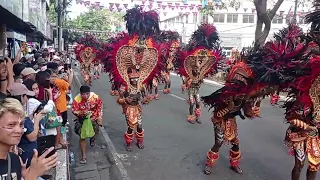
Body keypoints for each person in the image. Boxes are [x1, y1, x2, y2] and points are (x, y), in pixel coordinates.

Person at [104, 7, 163, 151]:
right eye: (133, 76)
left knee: (140, 125)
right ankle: (129, 142)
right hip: (129, 108)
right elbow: (119, 100)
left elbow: (145, 97)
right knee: (131, 125)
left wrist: (146, 99)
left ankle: (140, 141)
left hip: (138, 108)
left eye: (138, 76)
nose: (136, 78)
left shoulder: (141, 85)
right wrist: (126, 100)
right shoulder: (125, 87)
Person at [0, 98, 57, 180]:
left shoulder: (15, 160)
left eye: (21, 125)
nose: (19, 130)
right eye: (11, 125)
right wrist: (32, 176)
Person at [175, 23, 222, 124]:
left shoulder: (200, 74)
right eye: (195, 69)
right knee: (192, 103)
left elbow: (204, 74)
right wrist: (186, 83)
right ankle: (191, 116)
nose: (197, 70)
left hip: (196, 91)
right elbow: (186, 81)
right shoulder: (190, 75)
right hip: (191, 91)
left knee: (198, 103)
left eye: (198, 70)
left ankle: (197, 116)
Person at [72, 85, 103, 164]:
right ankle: (84, 156)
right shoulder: (77, 99)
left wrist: (97, 117)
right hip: (82, 120)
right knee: (82, 137)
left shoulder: (95, 97)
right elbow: (74, 111)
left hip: (93, 119)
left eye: (87, 94)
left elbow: (99, 107)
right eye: (83, 94)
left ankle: (92, 138)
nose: (85, 96)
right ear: (80, 94)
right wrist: (82, 113)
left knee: (95, 132)